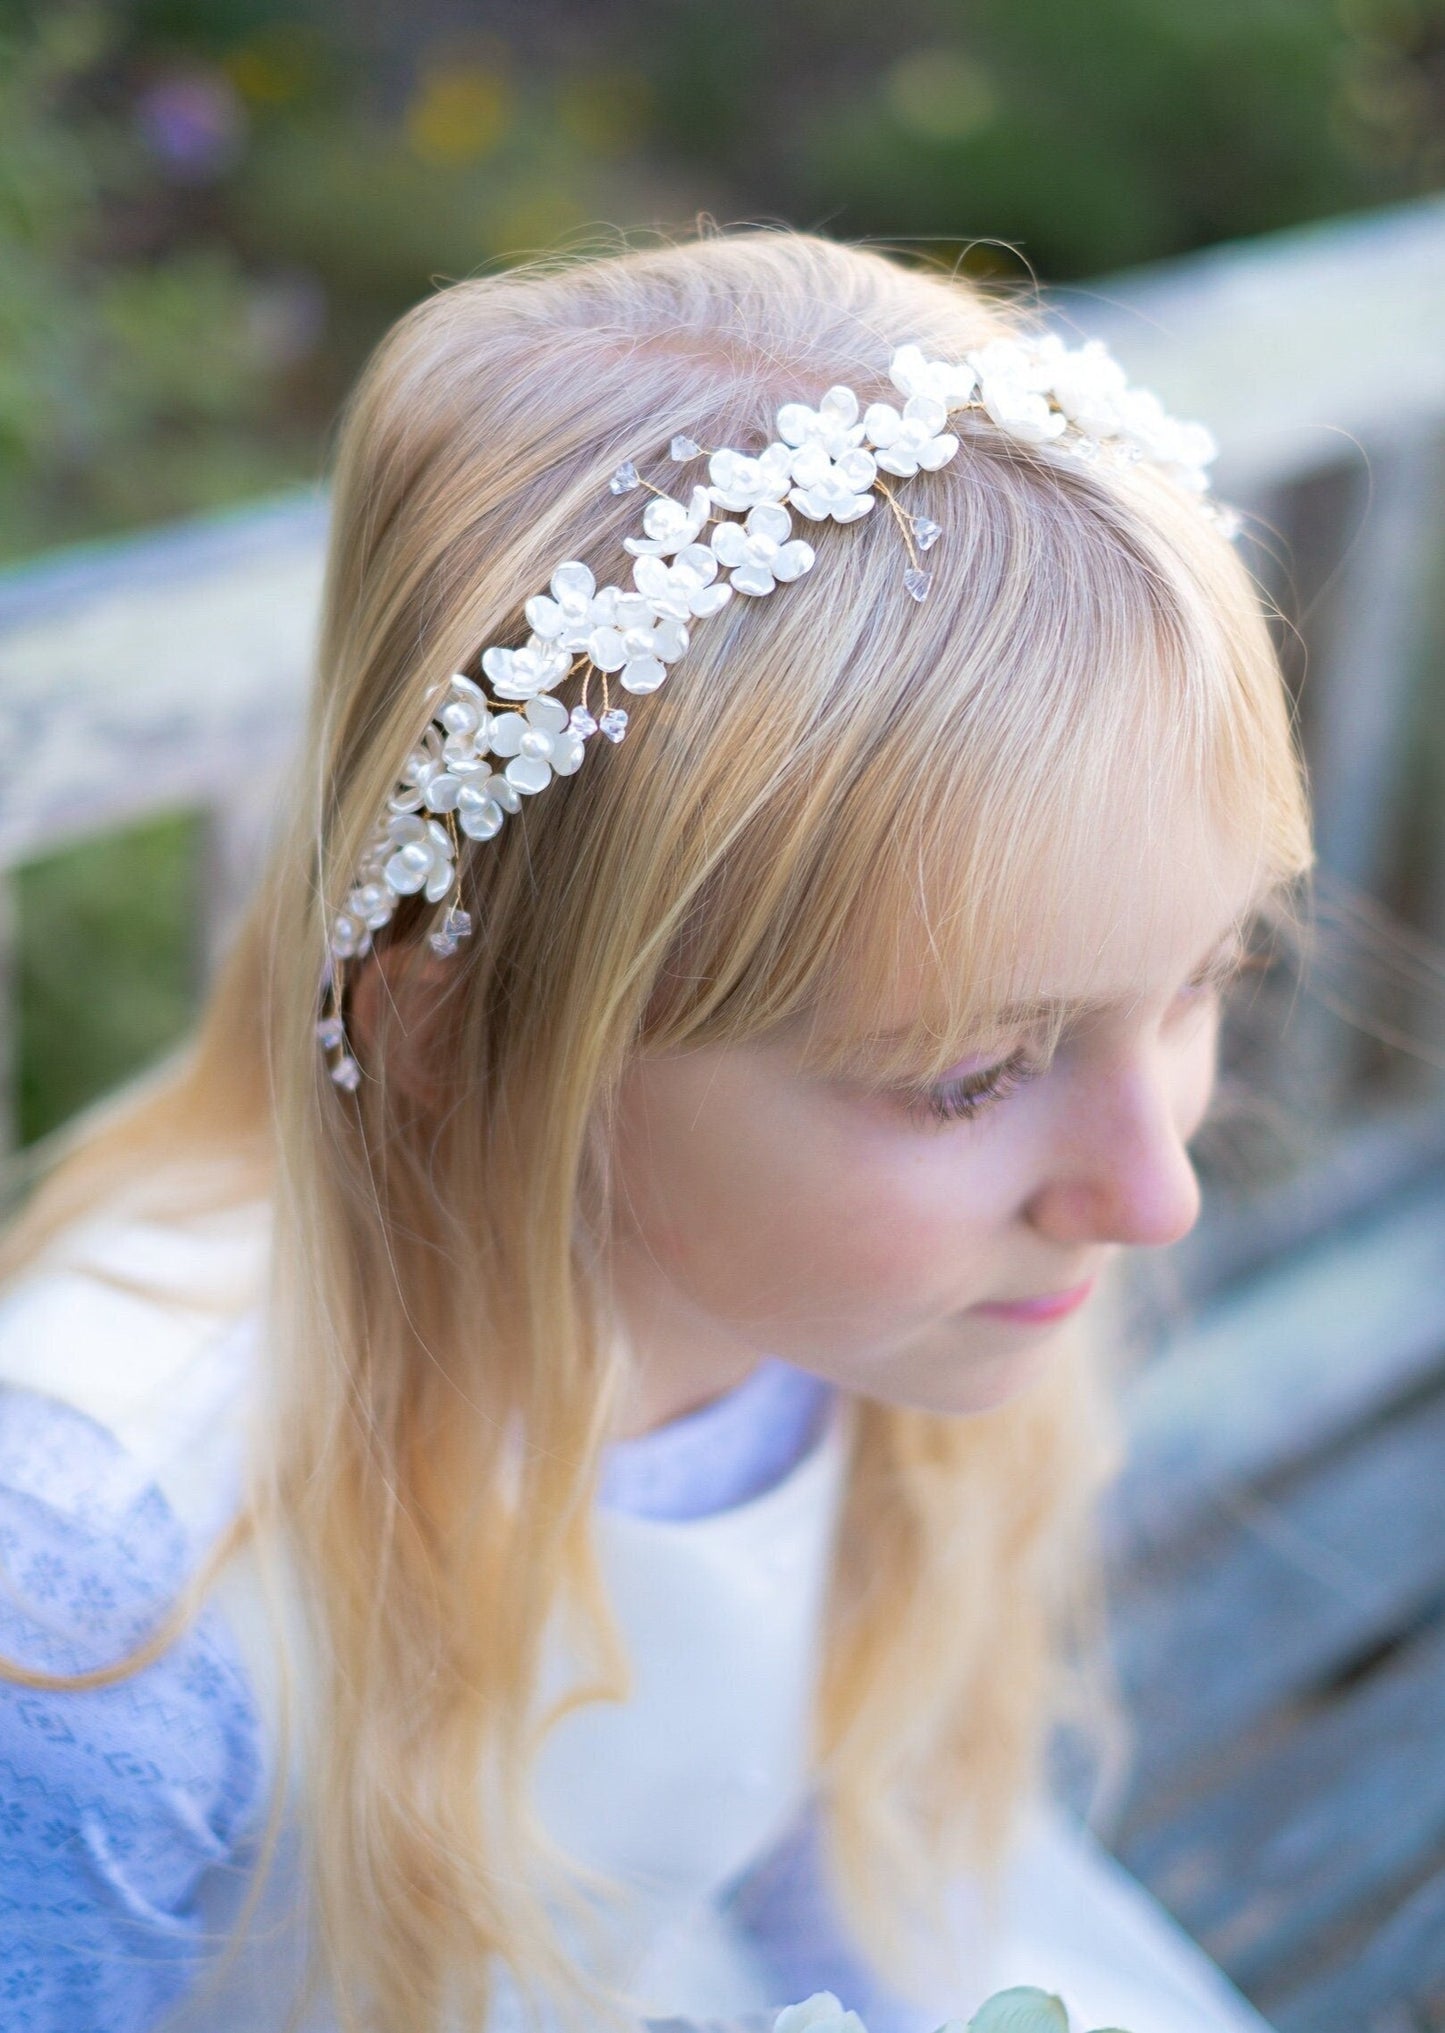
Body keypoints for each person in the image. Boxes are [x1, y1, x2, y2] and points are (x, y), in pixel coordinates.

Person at [0, 226, 1311, 2033]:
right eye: (964, 1074)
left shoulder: (866, 1314)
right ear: (470, 1041)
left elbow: (810, 1857)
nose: (1152, 1191)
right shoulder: (93, 1607)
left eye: (1204, 973)